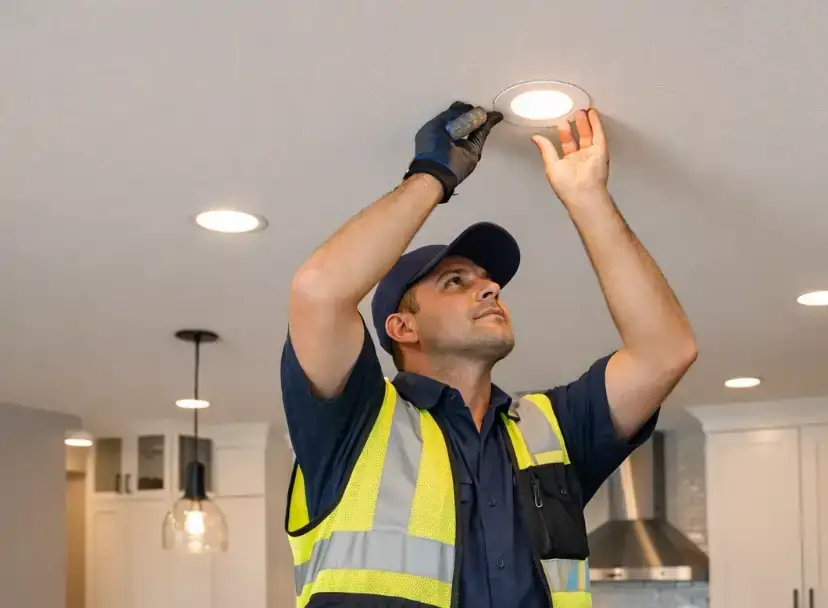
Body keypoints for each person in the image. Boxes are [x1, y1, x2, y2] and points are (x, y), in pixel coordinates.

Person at [281, 101, 698, 608]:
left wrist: (588, 198)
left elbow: (666, 352)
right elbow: (318, 292)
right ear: (402, 326)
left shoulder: (553, 430)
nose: (490, 289)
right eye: (456, 282)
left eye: (489, 282)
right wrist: (431, 176)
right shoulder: (354, 425)